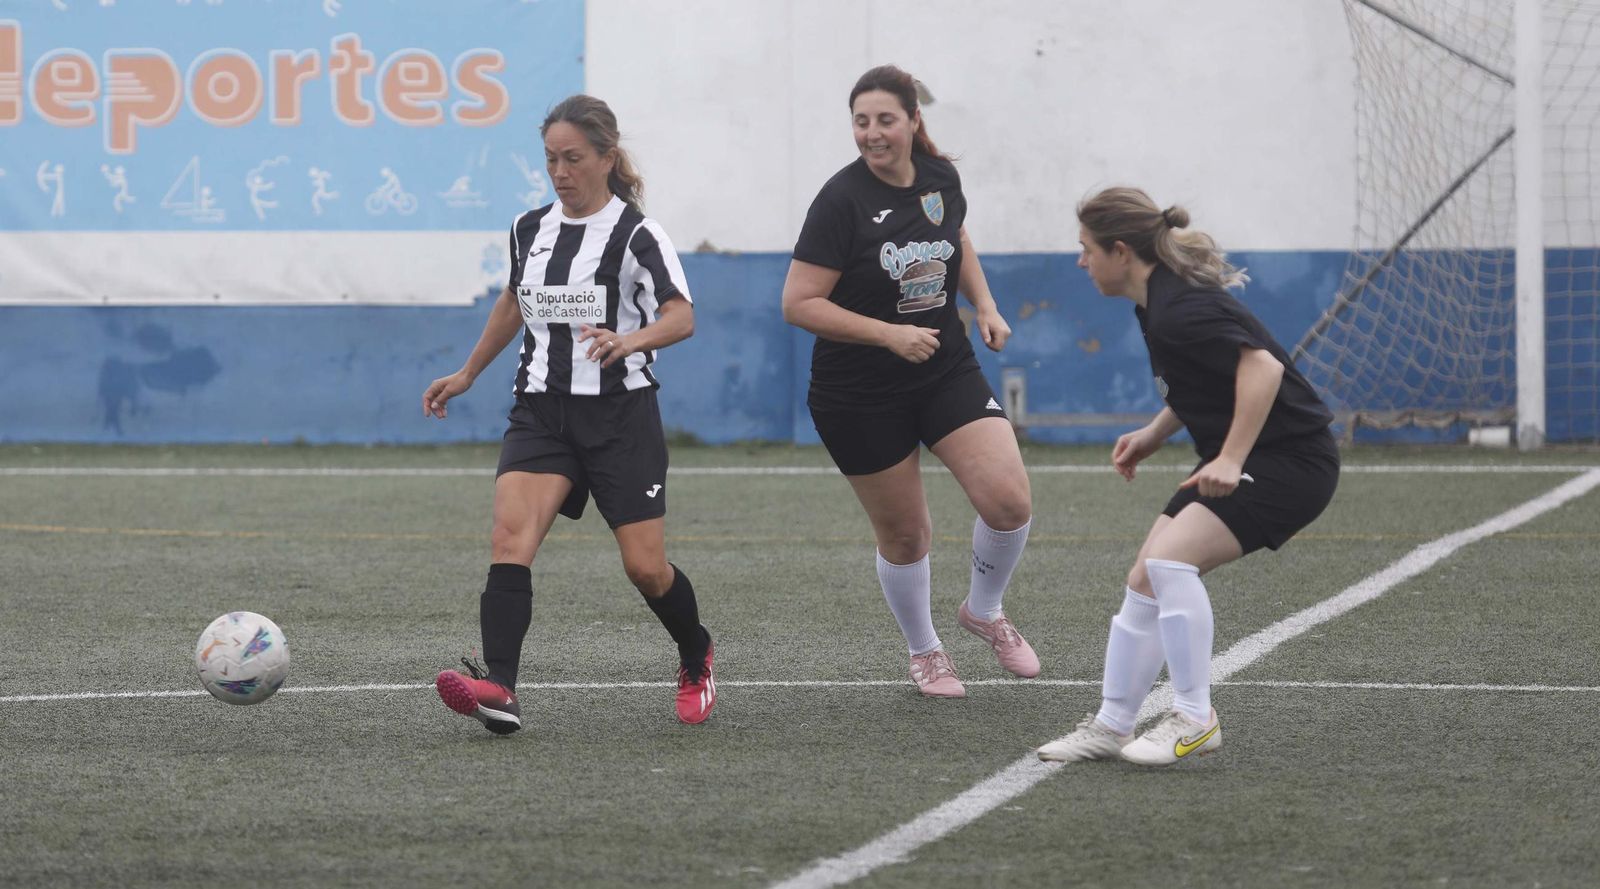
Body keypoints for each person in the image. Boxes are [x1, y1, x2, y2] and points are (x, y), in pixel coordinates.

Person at [423, 94, 716, 732]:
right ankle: (499, 687)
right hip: (542, 411)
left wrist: (630, 340)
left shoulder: (638, 233)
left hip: (620, 417)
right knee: (509, 540)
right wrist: (469, 372)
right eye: (551, 159)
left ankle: (695, 652)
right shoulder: (529, 228)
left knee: (645, 567)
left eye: (574, 158)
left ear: (607, 158)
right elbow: (514, 299)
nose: (560, 171)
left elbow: (681, 316)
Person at [1037, 187, 1339, 765]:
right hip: (1256, 454)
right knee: (1144, 578)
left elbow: (1261, 366)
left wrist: (1230, 457)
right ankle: (1112, 724)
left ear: (1120, 252)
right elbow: (1205, 379)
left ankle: (1196, 718)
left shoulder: (1180, 310)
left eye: (1086, 250)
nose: (1081, 262)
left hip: (1290, 462)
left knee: (1169, 564)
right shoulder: (1158, 305)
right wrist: (1155, 432)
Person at [780, 65, 1037, 699]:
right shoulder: (840, 201)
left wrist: (985, 306)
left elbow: (957, 237)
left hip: (943, 367)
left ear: (913, 121)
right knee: (906, 534)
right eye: (861, 121)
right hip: (858, 393)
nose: (872, 133)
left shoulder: (941, 177)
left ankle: (984, 610)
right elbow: (799, 303)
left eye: (885, 120)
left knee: (1008, 500)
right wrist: (888, 333)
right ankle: (925, 652)